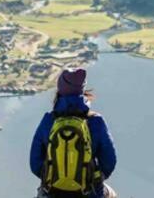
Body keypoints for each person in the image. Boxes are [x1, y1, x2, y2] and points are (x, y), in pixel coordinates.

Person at [29, 68, 117, 198]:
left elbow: (35, 163)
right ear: (82, 91)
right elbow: (109, 161)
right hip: (90, 193)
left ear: (60, 90)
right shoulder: (96, 121)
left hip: (52, 193)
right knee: (111, 194)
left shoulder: (48, 120)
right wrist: (95, 179)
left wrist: (52, 177)